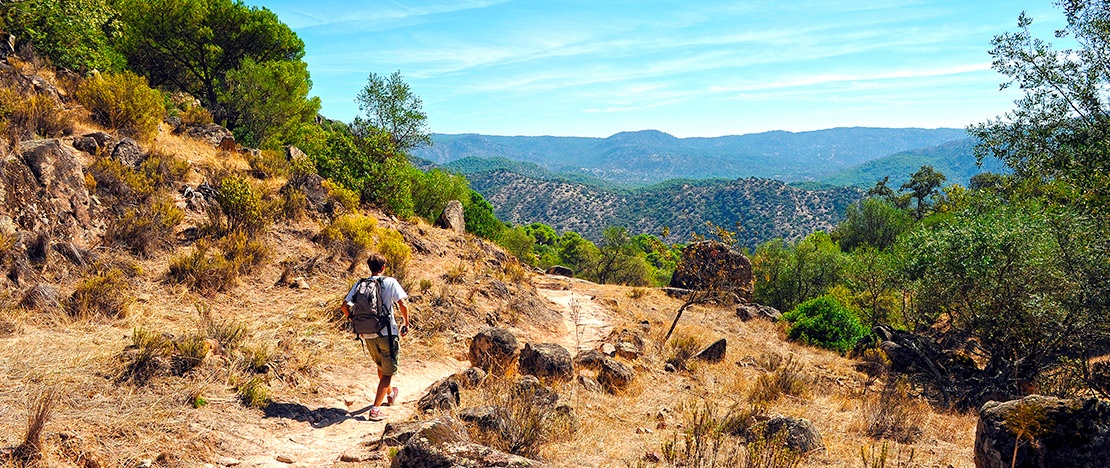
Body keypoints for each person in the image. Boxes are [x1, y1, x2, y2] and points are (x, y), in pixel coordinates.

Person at [341, 253, 409, 421]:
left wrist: (353, 320)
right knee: (388, 373)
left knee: (381, 366)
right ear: (383, 267)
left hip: (368, 333)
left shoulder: (361, 283)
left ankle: (391, 394)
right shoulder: (390, 282)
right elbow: (402, 304)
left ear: (369, 267)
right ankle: (375, 409)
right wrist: (406, 322)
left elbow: (344, 306)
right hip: (387, 333)